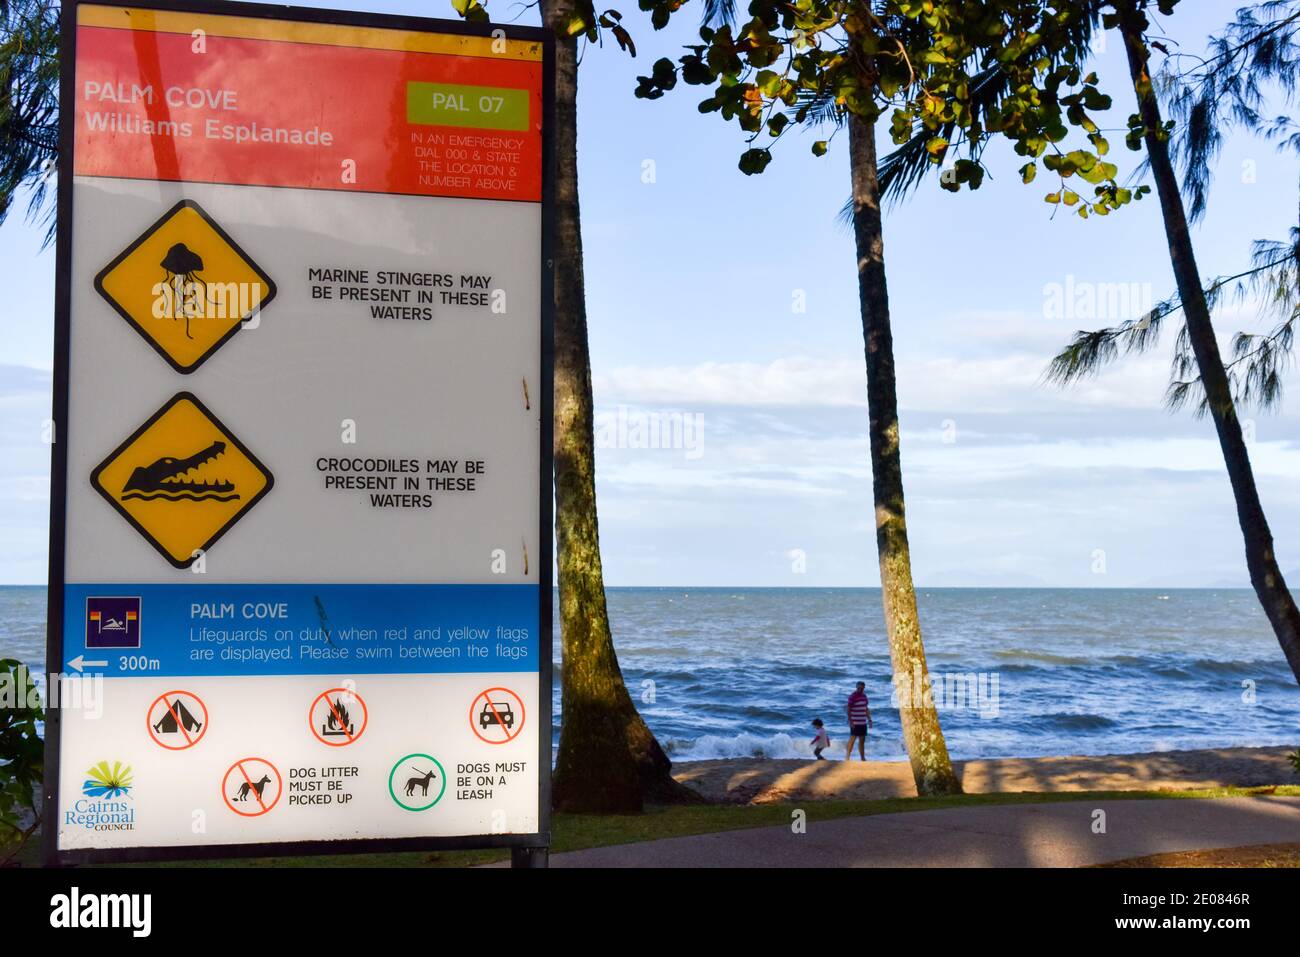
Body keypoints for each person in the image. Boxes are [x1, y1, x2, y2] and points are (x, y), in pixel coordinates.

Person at [845, 681, 873, 761]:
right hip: (855, 721)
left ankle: (862, 758)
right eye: (859, 688)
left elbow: (866, 709)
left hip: (863, 722)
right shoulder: (852, 696)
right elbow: (849, 709)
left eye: (862, 688)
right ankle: (847, 757)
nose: (860, 689)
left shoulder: (864, 696)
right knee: (852, 739)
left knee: (862, 740)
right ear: (856, 687)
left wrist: (870, 719)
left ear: (864, 688)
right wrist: (850, 721)